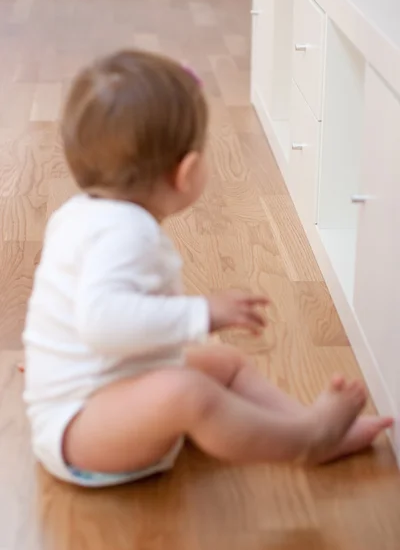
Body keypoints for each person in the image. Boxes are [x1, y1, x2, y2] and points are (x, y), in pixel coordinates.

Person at [23, 50, 392, 488]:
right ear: (188, 171)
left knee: (225, 363)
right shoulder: (126, 233)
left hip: (98, 401)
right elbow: (101, 323)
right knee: (189, 393)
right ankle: (305, 440)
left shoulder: (85, 213)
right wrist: (203, 313)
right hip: (79, 433)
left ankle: (314, 428)